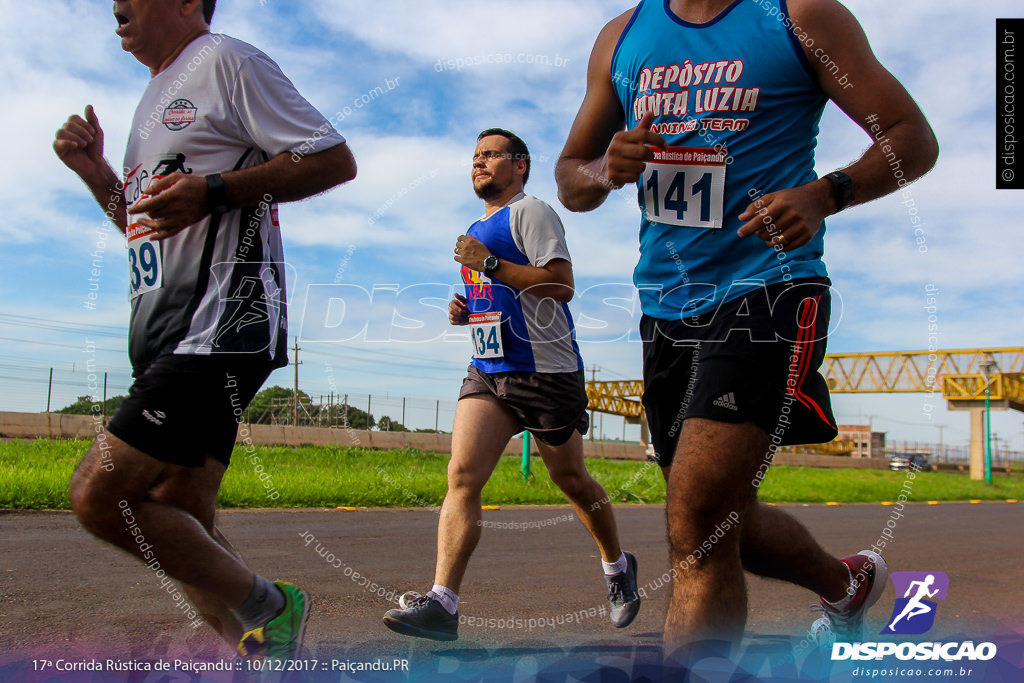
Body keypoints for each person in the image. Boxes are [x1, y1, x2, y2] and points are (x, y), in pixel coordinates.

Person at [554, 0, 937, 660]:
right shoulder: (621, 39)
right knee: (713, 519)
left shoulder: (801, 17)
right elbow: (571, 175)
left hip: (773, 285)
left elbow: (910, 136)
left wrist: (825, 194)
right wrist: (605, 169)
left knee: (699, 514)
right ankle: (845, 584)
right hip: (667, 307)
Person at [53, 0, 356, 661]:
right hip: (171, 332)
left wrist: (216, 190)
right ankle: (258, 659)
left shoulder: (224, 61)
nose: (114, 5)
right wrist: (95, 172)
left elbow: (332, 157)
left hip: (222, 320)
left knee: (100, 495)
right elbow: (145, 223)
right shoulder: (153, 95)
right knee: (178, 507)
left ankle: (271, 607)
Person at [382, 129, 640, 641]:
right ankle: (443, 603)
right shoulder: (476, 227)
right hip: (488, 369)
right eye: (475, 156)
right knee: (462, 476)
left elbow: (560, 284)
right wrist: (466, 309)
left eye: (492, 155)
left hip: (544, 371)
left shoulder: (531, 212)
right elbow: (492, 291)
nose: (479, 163)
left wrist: (490, 263)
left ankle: (617, 567)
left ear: (520, 165)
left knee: (571, 481)